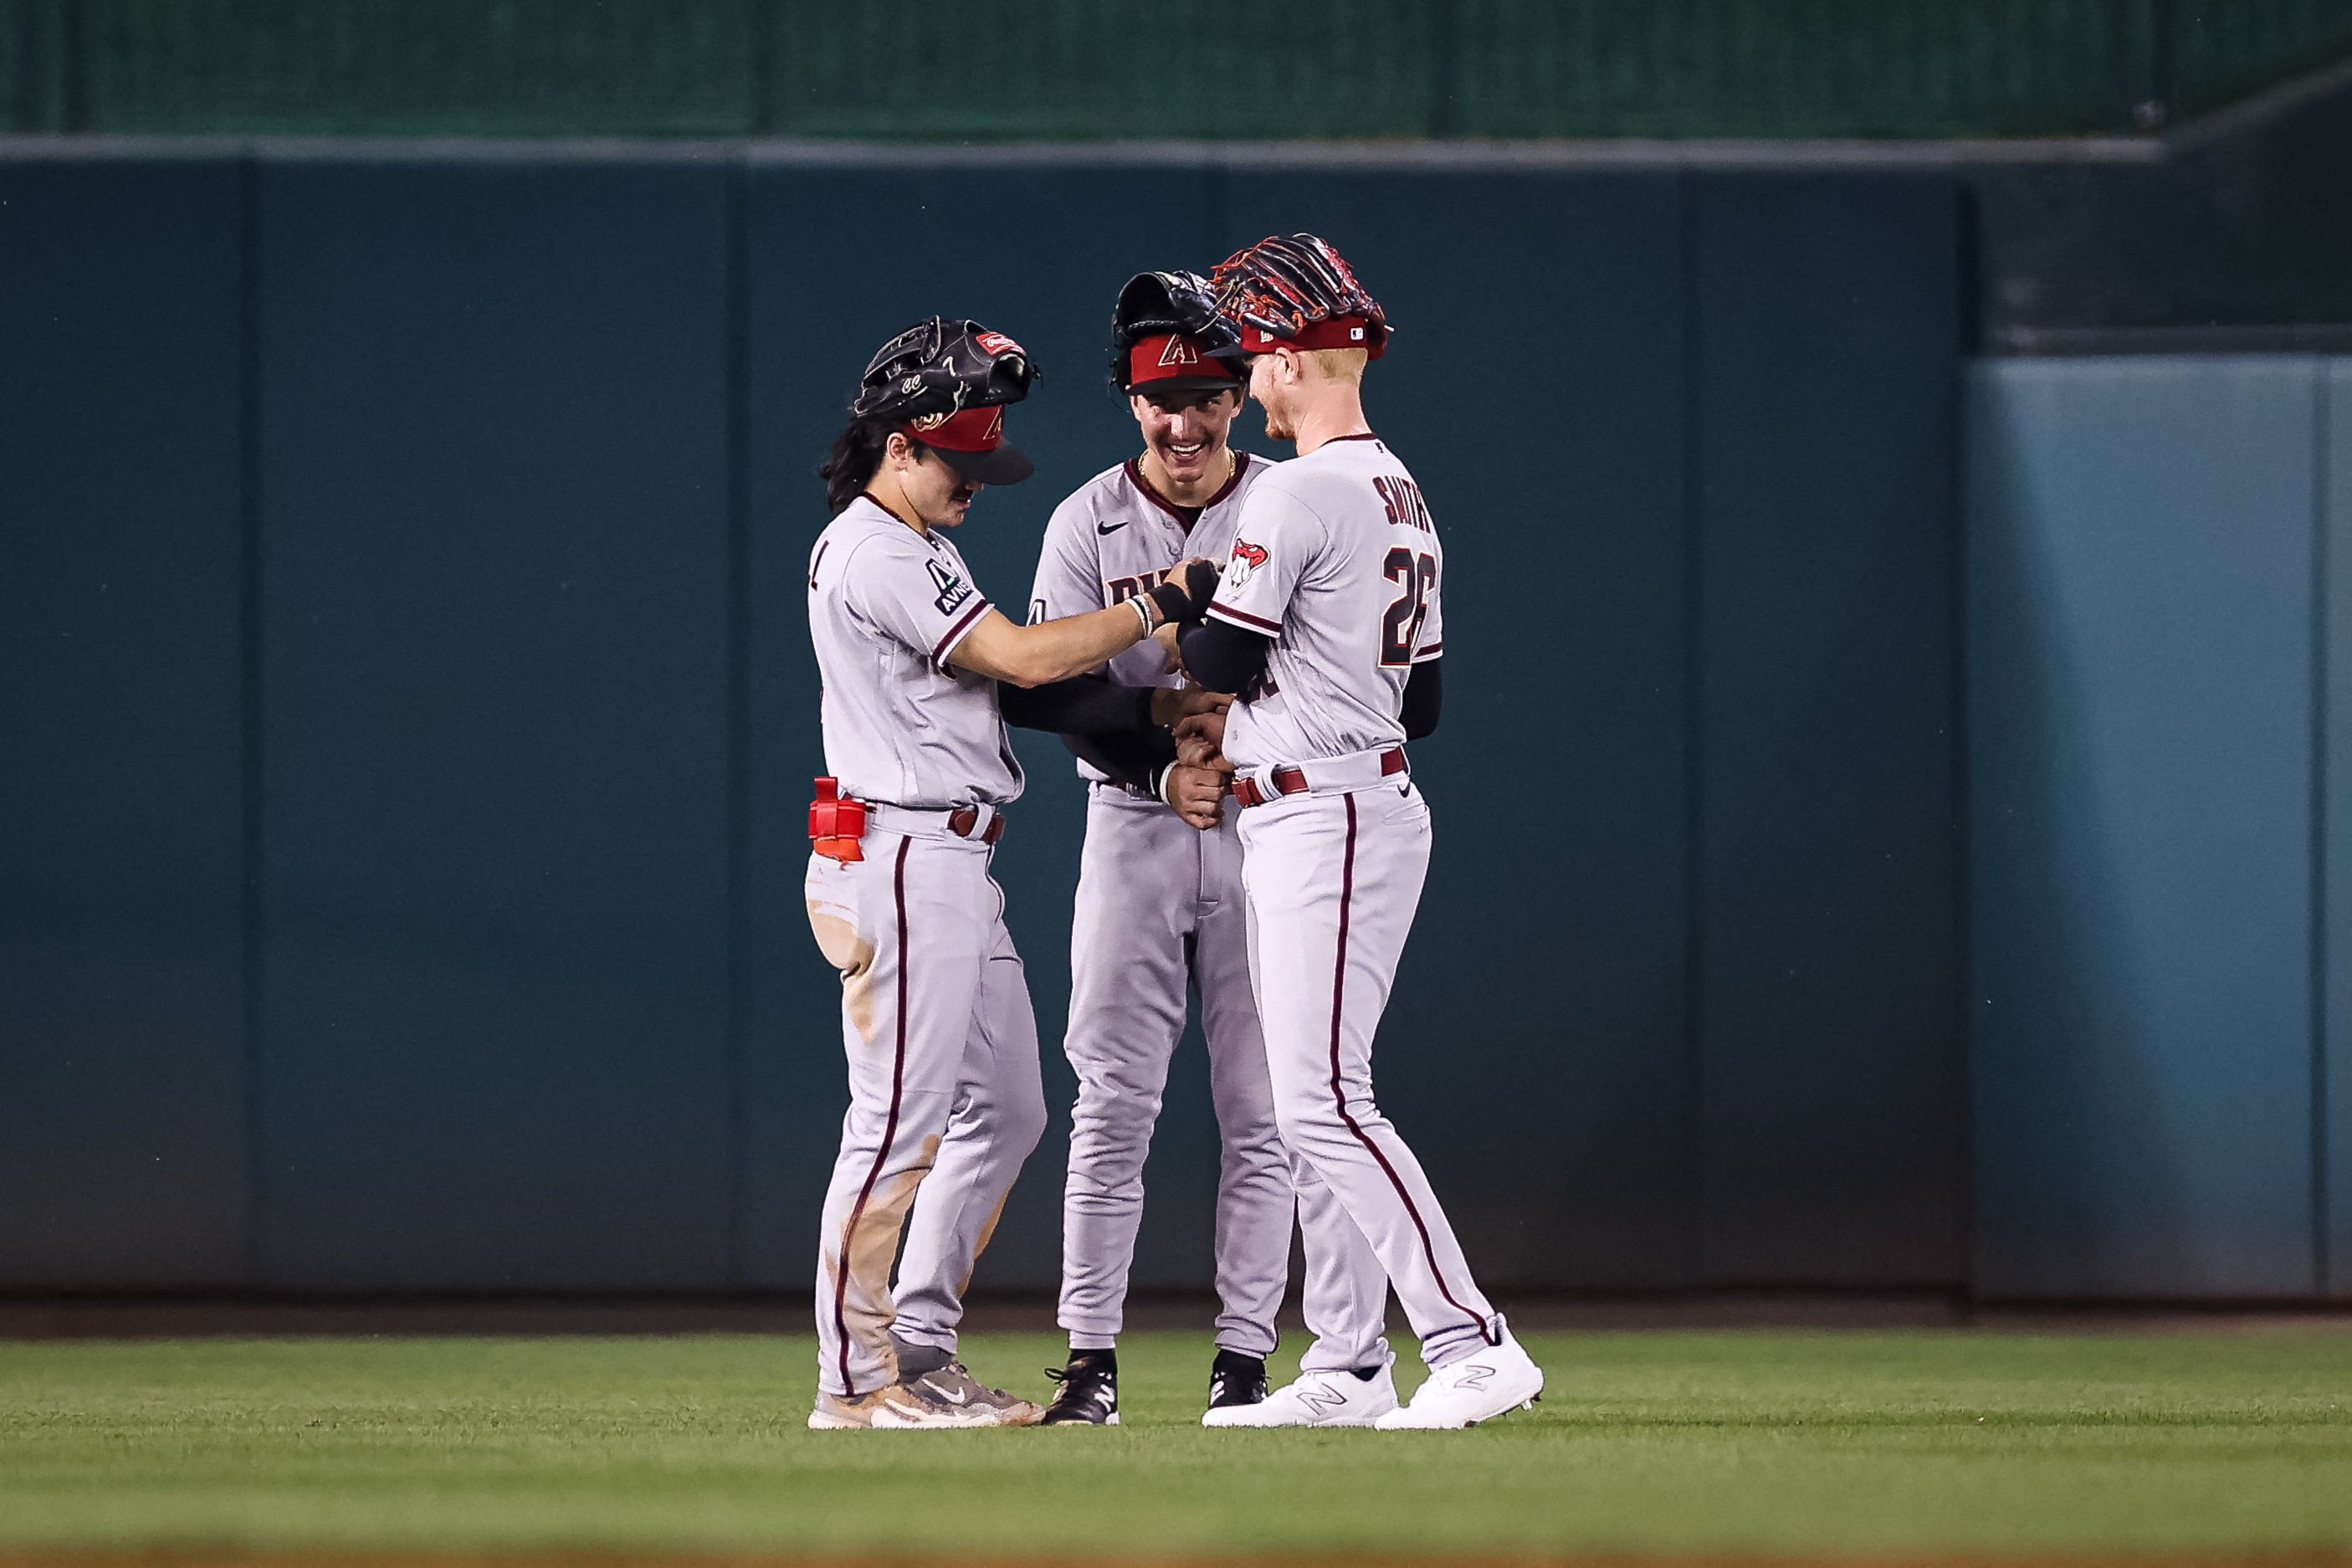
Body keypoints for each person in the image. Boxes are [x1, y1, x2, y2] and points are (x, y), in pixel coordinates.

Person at [801, 316, 1216, 1430]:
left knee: (1011, 1108)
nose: (976, 482)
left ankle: (920, 1343)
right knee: (893, 1123)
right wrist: (1159, 603)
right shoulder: (874, 547)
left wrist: (1143, 709)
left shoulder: (918, 540)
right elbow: (1025, 660)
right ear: (899, 446)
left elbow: (1015, 689)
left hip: (949, 855)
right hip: (897, 851)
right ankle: (855, 1379)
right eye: (959, 460)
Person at [1174, 237, 1547, 1429]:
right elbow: (1422, 704)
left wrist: (1197, 600)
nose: (1247, 380)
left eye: (1251, 354)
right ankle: (1345, 1358)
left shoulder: (1293, 489)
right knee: (1313, 1099)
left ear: (1285, 359)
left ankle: (1471, 1339)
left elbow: (1216, 658)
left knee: (1324, 1101)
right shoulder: (1400, 487)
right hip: (1347, 796)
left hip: (1324, 808)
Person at [999, 272, 1296, 1425]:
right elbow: (1046, 691)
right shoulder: (1085, 519)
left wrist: (1226, 736)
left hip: (1267, 819)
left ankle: (1245, 1360)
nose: (1185, 421)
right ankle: (1090, 1359)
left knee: (1264, 1107)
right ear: (1131, 400)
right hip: (1133, 823)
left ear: (1239, 395)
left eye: (1209, 393)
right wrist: (1168, 750)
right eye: (1163, 396)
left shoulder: (1287, 500)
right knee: (1113, 1101)